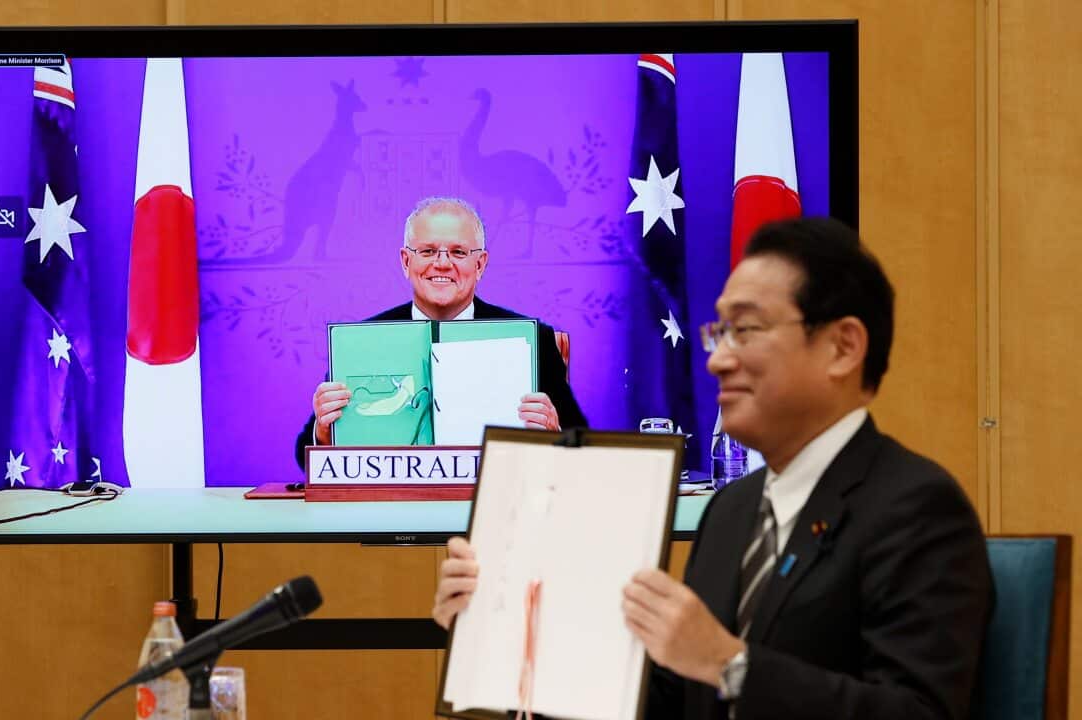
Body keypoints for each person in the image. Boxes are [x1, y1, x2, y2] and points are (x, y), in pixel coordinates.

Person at [432, 217, 993, 719]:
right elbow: (672, 700)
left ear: (843, 347)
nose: (718, 358)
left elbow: (917, 711)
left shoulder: (916, 508)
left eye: (745, 330)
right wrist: (498, 635)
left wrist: (732, 666)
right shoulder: (734, 508)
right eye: (718, 332)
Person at [294, 197, 586, 467]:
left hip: (495, 504)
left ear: (480, 264)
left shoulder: (534, 339)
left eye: (458, 252)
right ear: (406, 262)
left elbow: (581, 447)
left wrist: (554, 433)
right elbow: (304, 458)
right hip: (390, 512)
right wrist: (324, 431)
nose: (442, 263)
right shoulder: (361, 342)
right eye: (428, 251)